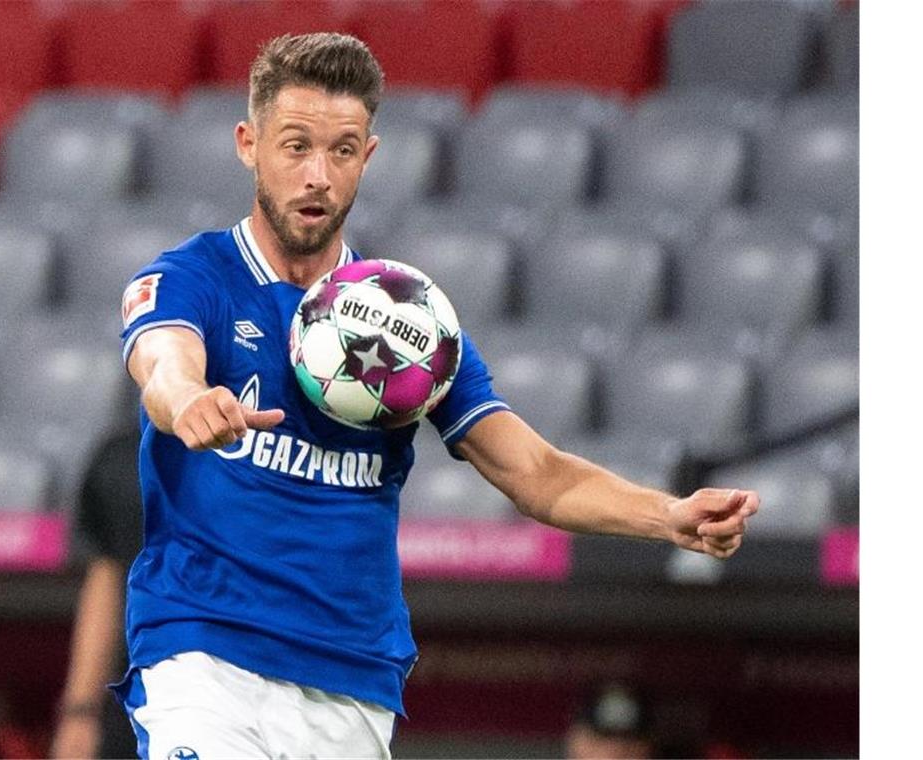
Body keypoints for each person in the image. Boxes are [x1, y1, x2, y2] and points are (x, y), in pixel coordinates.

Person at [114, 32, 760, 759]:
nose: (318, 175)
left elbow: (533, 472)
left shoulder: (407, 319)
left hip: (349, 674)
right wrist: (189, 399)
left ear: (370, 156)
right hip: (205, 650)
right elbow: (162, 360)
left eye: (343, 150)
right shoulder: (194, 276)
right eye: (295, 147)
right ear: (248, 143)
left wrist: (668, 516)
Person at [50, 429, 142, 759]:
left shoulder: (276, 454)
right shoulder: (121, 456)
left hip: (250, 696)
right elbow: (105, 581)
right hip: (133, 698)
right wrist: (80, 712)